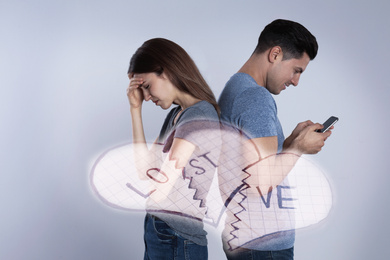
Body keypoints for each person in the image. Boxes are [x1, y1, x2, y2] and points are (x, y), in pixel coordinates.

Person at [217, 19, 333, 259]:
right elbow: (260, 182)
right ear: (276, 54)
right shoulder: (255, 98)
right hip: (264, 243)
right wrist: (298, 148)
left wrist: (289, 143)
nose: (296, 81)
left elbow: (247, 168)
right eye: (296, 70)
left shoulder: (234, 87)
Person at [126, 38, 221, 260]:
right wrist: (134, 109)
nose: (147, 97)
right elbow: (144, 172)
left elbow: (160, 190)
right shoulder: (178, 114)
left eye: (147, 87)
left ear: (166, 71)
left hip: (177, 238)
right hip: (161, 230)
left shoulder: (199, 115)